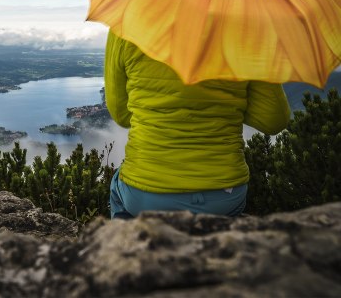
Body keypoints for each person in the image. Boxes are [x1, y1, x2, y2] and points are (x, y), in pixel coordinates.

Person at [105, 30, 291, 219]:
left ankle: (126, 245)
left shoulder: (126, 26)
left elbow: (121, 115)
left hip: (146, 196)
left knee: (117, 189)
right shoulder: (247, 30)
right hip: (225, 194)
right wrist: (227, 104)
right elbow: (273, 121)